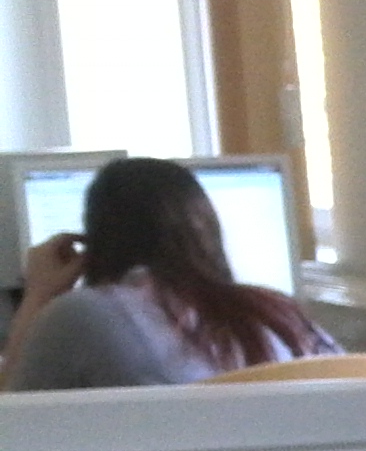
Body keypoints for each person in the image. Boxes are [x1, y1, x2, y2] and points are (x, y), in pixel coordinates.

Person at [1, 156, 336, 392]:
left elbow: (11, 427)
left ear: (95, 243)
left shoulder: (79, 314)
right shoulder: (276, 310)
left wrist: (37, 297)